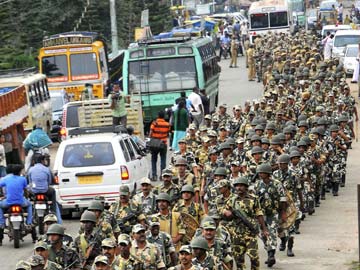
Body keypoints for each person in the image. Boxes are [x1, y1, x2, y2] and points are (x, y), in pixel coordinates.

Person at [0, 164, 32, 245]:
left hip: (8, 202)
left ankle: (2, 223)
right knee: (29, 205)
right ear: (19, 172)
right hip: (21, 202)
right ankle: (29, 222)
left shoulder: (6, 179)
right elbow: (26, 189)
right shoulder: (23, 179)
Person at [27, 154, 59, 221]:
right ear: (42, 161)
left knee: (28, 199)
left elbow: (29, 182)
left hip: (34, 191)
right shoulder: (47, 169)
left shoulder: (30, 170)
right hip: (45, 191)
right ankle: (53, 211)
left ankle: (30, 213)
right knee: (53, 191)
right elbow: (49, 181)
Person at [149, 111, 171, 181]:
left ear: (158, 116)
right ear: (164, 116)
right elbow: (168, 133)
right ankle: (162, 175)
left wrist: (152, 138)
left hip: (155, 144)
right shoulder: (167, 124)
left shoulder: (154, 123)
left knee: (153, 160)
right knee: (163, 160)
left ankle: (154, 175)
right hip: (163, 144)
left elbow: (150, 133)